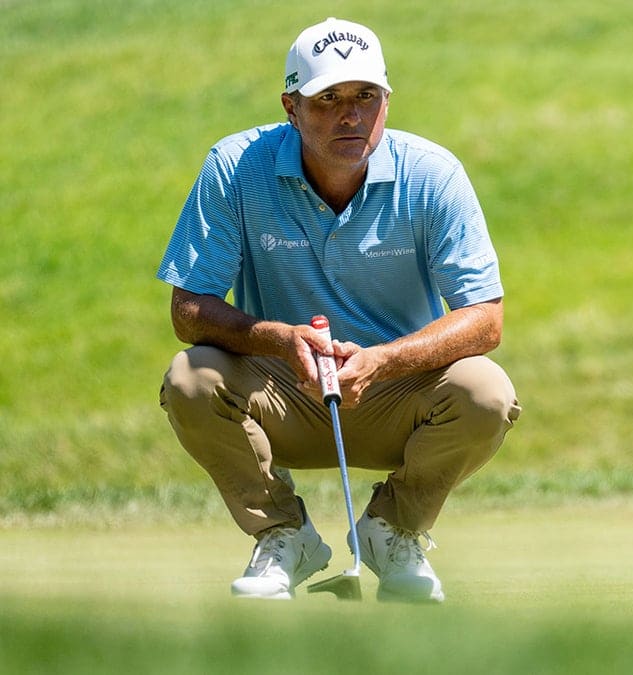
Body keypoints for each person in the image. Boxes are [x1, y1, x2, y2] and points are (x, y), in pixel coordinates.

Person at [157, 17, 521, 603]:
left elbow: (485, 318)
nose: (350, 115)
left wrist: (382, 361)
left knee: (486, 391)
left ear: (386, 101)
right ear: (291, 108)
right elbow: (188, 311)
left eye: (365, 96)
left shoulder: (433, 174)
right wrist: (280, 340)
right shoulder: (235, 166)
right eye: (327, 99)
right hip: (283, 391)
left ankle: (392, 530)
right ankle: (283, 534)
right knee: (189, 378)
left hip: (397, 394)